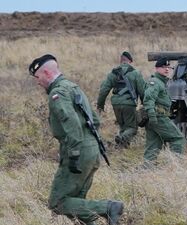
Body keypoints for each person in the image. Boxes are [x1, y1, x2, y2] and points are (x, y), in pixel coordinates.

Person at [29, 54, 124, 225]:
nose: (37, 82)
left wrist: (73, 154)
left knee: (58, 202)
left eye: (38, 77)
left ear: (47, 73)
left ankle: (108, 207)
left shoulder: (57, 93)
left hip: (77, 151)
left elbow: (71, 123)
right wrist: (90, 146)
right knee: (77, 202)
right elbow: (95, 121)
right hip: (91, 150)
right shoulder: (73, 87)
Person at [97, 51, 146, 148]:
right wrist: (144, 104)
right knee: (132, 128)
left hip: (115, 104)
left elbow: (103, 90)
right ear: (130, 61)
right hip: (129, 104)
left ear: (121, 61)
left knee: (123, 126)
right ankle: (121, 138)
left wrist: (100, 105)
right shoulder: (135, 73)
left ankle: (122, 147)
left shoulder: (113, 73)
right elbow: (142, 91)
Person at [141, 57, 185, 164]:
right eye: (163, 67)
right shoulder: (155, 82)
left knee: (153, 145)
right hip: (158, 117)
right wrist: (152, 116)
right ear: (157, 68)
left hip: (155, 117)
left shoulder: (161, 82)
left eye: (168, 67)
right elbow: (148, 99)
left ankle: (147, 168)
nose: (167, 70)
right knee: (178, 138)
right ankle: (175, 165)